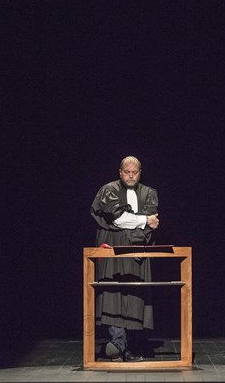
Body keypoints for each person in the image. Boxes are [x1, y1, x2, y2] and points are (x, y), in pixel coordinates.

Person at [90, 155, 159, 362]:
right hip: (112, 248)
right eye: (126, 172)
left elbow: (152, 224)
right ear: (120, 172)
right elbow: (117, 218)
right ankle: (118, 343)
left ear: (140, 172)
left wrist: (139, 224)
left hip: (138, 250)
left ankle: (128, 346)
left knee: (134, 295)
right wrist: (143, 220)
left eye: (134, 172)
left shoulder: (149, 193)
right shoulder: (108, 190)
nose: (130, 175)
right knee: (113, 293)